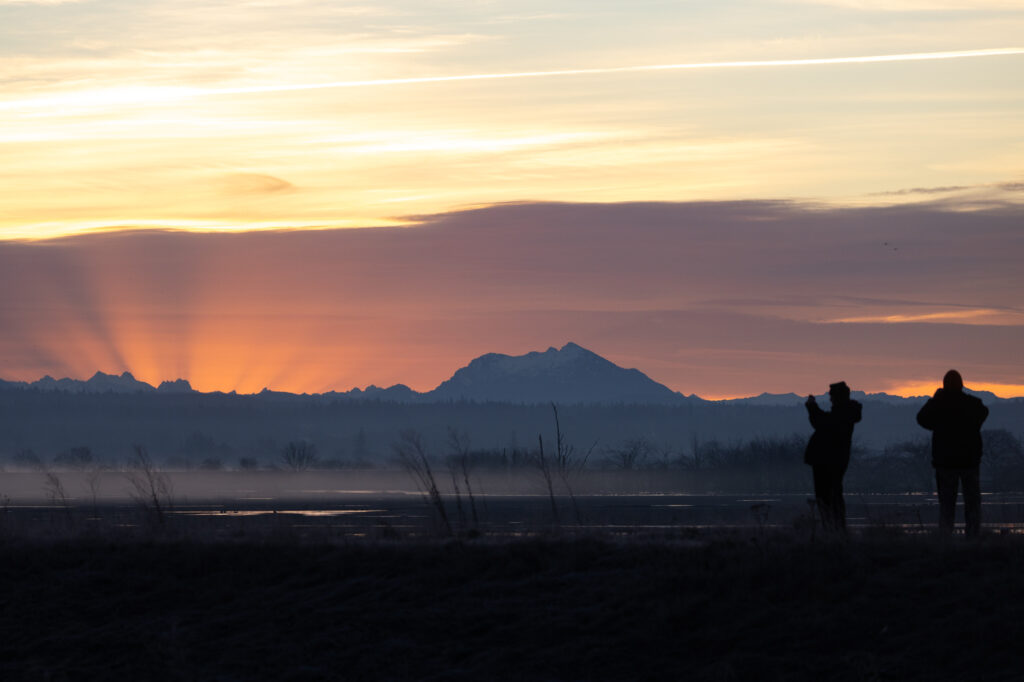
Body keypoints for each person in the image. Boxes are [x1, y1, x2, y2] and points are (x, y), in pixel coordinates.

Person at [916, 370, 989, 539]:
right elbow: (983, 412)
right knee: (972, 504)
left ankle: (945, 539)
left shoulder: (939, 405)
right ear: (962, 384)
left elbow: (921, 418)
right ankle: (973, 538)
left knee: (947, 505)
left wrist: (935, 400)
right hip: (969, 462)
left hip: (945, 463)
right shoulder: (972, 404)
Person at [804, 381, 862, 533]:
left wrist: (812, 407)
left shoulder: (842, 415)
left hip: (829, 462)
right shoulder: (845, 413)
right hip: (833, 461)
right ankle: (835, 530)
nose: (830, 399)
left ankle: (833, 530)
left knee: (827, 497)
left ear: (838, 397)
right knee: (831, 496)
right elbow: (824, 422)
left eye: (831, 396)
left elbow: (822, 423)